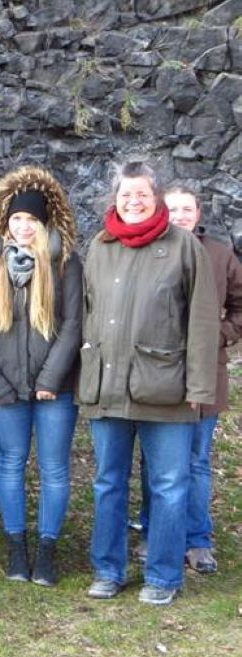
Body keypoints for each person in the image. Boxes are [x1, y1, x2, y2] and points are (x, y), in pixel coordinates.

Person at [80, 161, 218, 606]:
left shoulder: (183, 247)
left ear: (155, 196)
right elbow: (86, 315)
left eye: (141, 193)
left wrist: (199, 390)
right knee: (107, 483)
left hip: (167, 390)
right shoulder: (100, 246)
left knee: (169, 486)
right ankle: (108, 569)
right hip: (108, 389)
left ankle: (163, 575)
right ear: (114, 198)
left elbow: (201, 322)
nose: (133, 201)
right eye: (125, 194)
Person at [0, 166, 82, 586]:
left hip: (54, 390)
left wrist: (51, 379)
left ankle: (47, 550)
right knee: (11, 464)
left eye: (31, 221)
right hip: (5, 390)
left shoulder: (65, 265)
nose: (22, 227)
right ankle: (17, 549)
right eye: (16, 219)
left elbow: (72, 326)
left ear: (44, 224)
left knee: (54, 468)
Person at [130, 182, 241, 576]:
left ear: (198, 215)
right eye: (172, 209)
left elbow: (239, 307)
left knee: (195, 461)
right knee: (154, 462)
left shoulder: (220, 256)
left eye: (186, 210)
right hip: (156, 376)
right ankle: (152, 531)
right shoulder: (147, 250)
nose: (179, 216)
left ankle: (197, 540)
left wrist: (220, 335)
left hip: (205, 377)